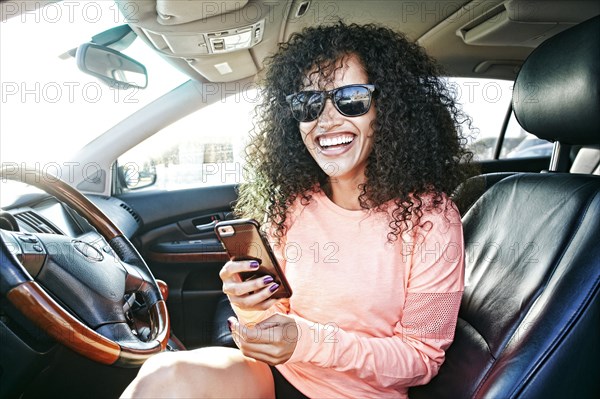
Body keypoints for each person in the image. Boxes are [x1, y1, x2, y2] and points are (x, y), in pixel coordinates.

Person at [122, 22, 472, 399]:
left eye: (350, 99)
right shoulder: (292, 202)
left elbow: (421, 360)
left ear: (387, 110)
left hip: (359, 394)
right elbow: (276, 321)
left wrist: (309, 341)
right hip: (282, 376)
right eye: (309, 104)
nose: (326, 120)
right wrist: (248, 305)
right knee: (163, 374)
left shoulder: (431, 218)